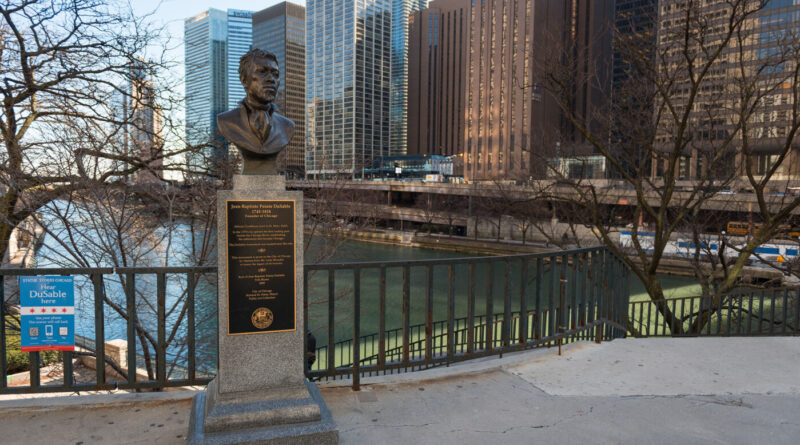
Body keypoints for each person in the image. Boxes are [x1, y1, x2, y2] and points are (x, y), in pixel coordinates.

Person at [217, 48, 295, 175]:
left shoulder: (287, 127)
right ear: (244, 80)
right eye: (262, 72)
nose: (271, 79)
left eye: (275, 74)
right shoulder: (226, 121)